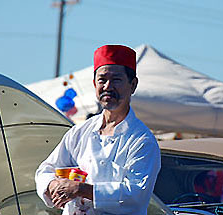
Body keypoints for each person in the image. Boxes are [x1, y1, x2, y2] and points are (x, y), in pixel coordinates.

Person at [35, 44, 161, 215]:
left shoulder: (141, 140)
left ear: (133, 85)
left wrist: (81, 189)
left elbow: (136, 195)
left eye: (116, 80)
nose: (108, 86)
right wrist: (54, 184)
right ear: (94, 84)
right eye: (102, 80)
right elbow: (45, 169)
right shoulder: (80, 132)